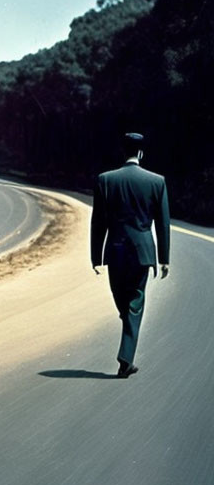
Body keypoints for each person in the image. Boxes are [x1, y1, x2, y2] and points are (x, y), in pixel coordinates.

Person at [91, 132, 170, 377]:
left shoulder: (105, 179)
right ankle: (127, 350)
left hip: (115, 250)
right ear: (141, 153)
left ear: (122, 152)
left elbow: (98, 222)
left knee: (122, 297)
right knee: (133, 303)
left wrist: (95, 256)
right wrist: (164, 258)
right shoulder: (157, 181)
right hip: (143, 251)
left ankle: (126, 358)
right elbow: (163, 223)